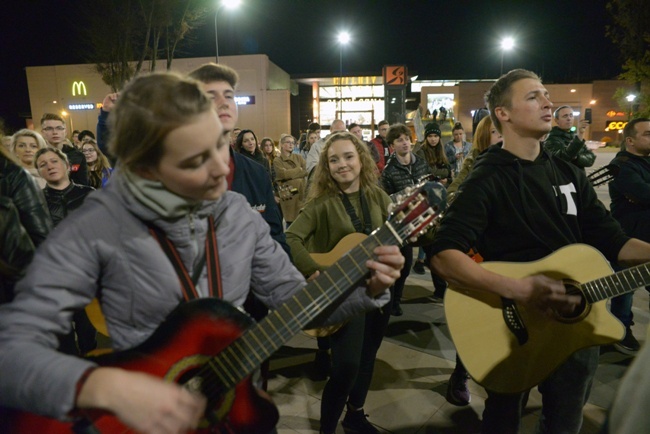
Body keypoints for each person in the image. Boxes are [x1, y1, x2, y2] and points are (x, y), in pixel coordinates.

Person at [0, 72, 403, 434]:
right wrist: (101, 387)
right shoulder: (98, 225)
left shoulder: (240, 217)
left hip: (233, 408)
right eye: (195, 156)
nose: (218, 169)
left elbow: (299, 305)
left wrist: (367, 285)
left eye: (218, 147)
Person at [429, 69, 650, 434]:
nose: (547, 103)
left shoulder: (568, 172)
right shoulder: (487, 177)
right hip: (513, 329)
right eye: (533, 97)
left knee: (565, 423)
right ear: (504, 113)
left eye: (546, 95)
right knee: (503, 421)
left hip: (579, 329)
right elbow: (443, 255)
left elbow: (616, 241)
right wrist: (522, 290)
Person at [286, 131, 398, 434]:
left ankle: (355, 414)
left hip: (378, 289)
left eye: (348, 156)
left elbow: (401, 232)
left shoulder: (378, 196)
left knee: (368, 357)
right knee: (346, 366)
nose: (342, 164)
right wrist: (311, 269)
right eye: (333, 160)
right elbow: (291, 238)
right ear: (327, 166)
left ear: (361, 159)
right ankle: (327, 427)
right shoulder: (322, 203)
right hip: (343, 295)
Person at [187, 63, 289, 257]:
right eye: (211, 97)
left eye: (228, 96)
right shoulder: (175, 175)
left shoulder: (257, 173)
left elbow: (274, 237)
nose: (223, 102)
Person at [441, 115, 503, 408]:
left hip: (513, 256)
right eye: (494, 131)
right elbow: (452, 194)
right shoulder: (474, 164)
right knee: (475, 317)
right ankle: (461, 372)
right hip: (480, 253)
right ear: (483, 137)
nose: (501, 135)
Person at [607, 117, 650, 355]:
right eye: (648, 134)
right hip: (629, 241)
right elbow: (643, 193)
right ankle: (620, 331)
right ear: (630, 141)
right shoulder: (621, 165)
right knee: (624, 290)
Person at [381, 123, 432, 316]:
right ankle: (394, 302)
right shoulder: (389, 171)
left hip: (424, 218)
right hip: (401, 224)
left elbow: (429, 184)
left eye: (407, 139)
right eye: (400, 140)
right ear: (392, 145)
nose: (405, 143)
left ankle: (442, 290)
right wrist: (406, 195)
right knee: (403, 264)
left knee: (433, 256)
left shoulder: (420, 163)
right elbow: (386, 201)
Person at [411, 122, 452, 299]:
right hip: (423, 204)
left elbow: (448, 173)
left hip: (438, 205)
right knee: (427, 245)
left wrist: (441, 177)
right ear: (426, 137)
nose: (433, 139)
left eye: (436, 136)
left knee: (435, 248)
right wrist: (438, 175)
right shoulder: (420, 152)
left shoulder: (442, 151)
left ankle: (440, 288)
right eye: (430, 136)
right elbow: (426, 172)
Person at [41, 113, 89, 186]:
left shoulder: (77, 155)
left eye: (59, 128)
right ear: (43, 132)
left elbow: (83, 185)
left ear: (65, 132)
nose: (55, 132)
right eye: (49, 128)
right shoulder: (38, 157)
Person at [543, 105, 595, 169]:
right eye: (565, 116)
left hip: (578, 177)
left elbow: (591, 159)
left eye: (571, 115)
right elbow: (563, 158)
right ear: (556, 120)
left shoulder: (574, 137)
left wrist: (576, 157)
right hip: (563, 178)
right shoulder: (551, 138)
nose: (569, 118)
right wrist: (580, 134)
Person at [273, 134, 307, 226]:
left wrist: (289, 173)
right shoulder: (277, 160)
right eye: (288, 142)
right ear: (282, 144)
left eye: (293, 143)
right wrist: (298, 170)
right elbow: (282, 174)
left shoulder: (298, 157)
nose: (291, 145)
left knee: (301, 221)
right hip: (287, 192)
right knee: (290, 222)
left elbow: (305, 171)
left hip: (301, 192)